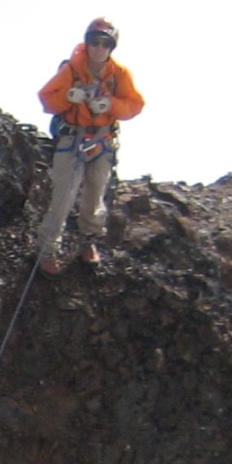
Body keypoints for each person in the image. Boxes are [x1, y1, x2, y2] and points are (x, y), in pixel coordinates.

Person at [33, 17, 144, 276]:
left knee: (95, 196)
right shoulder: (72, 70)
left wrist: (111, 105)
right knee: (64, 196)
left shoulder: (119, 75)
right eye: (94, 42)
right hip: (72, 140)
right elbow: (47, 99)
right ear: (87, 42)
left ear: (112, 47)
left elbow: (135, 104)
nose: (99, 48)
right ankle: (47, 249)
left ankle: (88, 241)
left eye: (105, 44)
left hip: (102, 141)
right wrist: (68, 97)